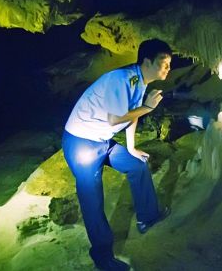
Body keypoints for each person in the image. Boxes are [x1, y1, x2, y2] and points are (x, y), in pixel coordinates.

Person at [62, 39, 172, 270]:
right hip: (81, 141)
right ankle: (103, 258)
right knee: (92, 199)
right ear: (147, 61)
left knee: (137, 165)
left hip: (101, 140)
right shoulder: (121, 79)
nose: (167, 68)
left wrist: (131, 147)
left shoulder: (139, 81)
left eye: (169, 63)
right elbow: (115, 118)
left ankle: (147, 218)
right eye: (163, 63)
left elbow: (132, 114)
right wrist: (149, 108)